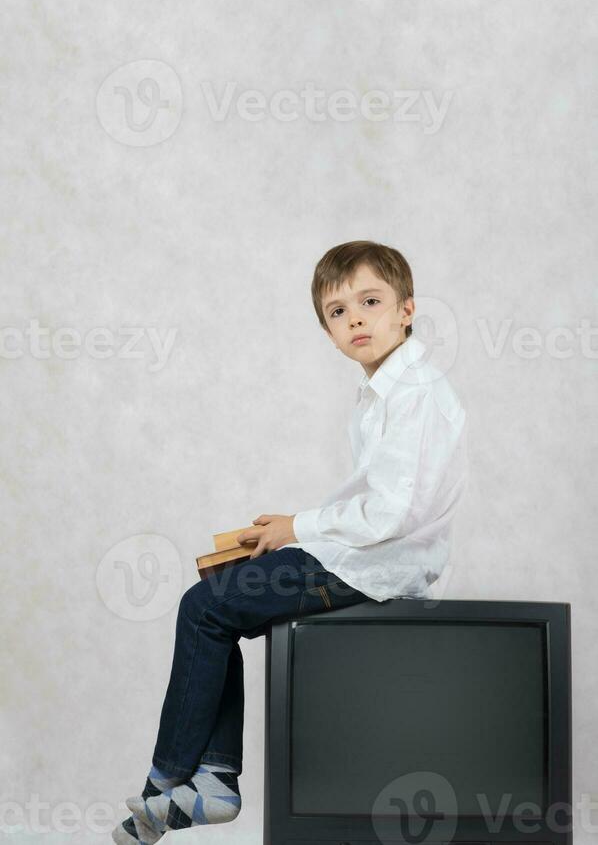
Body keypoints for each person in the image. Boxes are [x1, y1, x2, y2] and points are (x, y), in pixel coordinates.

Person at [112, 239, 468, 844]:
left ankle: (166, 787)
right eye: (337, 311)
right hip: (360, 557)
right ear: (327, 331)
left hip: (376, 569)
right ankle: (213, 780)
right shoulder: (384, 390)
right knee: (216, 595)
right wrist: (287, 528)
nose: (355, 318)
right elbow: (375, 503)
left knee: (204, 609)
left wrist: (298, 528)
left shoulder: (416, 394)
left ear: (407, 309)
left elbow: (391, 516)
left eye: (371, 301)